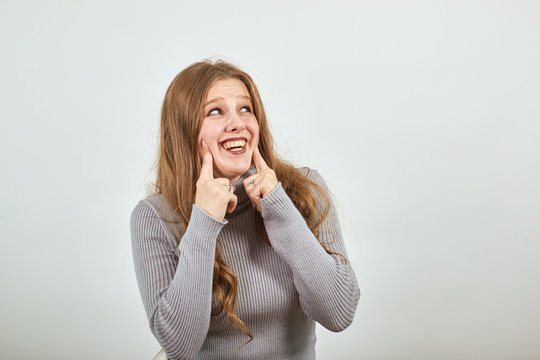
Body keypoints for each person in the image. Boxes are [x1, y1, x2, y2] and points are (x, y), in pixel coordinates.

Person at [130, 59, 360, 360]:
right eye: (215, 111)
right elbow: (179, 347)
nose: (237, 123)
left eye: (245, 109)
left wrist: (279, 208)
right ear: (185, 129)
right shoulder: (155, 217)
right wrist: (204, 221)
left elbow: (339, 313)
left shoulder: (303, 191)